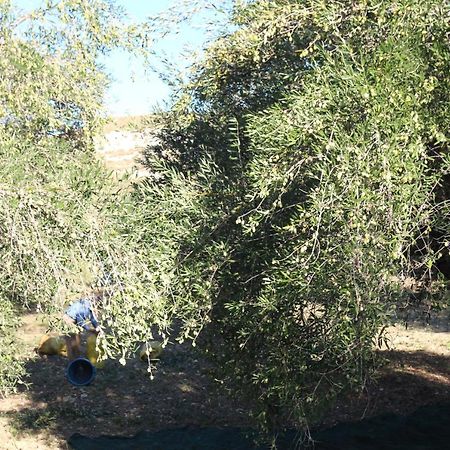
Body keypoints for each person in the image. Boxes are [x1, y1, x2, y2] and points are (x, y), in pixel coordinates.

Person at [63, 291, 102, 360]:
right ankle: (73, 359)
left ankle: (77, 356)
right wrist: (88, 329)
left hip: (74, 319)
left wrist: (97, 326)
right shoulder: (85, 306)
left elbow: (92, 318)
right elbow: (80, 320)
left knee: (77, 339)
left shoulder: (89, 307)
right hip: (68, 319)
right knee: (72, 340)